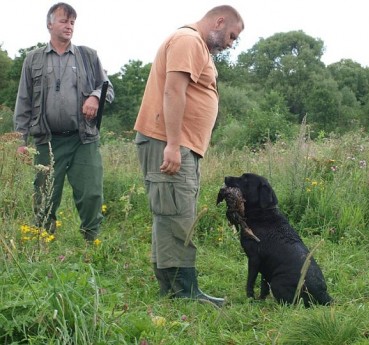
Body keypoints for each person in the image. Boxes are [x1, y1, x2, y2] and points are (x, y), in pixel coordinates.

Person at [134, 5, 244, 306]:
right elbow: (173, 91)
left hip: (179, 143)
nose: (230, 43)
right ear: (219, 21)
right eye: (232, 36)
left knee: (170, 214)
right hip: (169, 142)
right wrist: (172, 144)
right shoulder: (188, 41)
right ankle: (184, 292)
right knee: (178, 215)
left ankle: (172, 289)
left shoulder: (195, 45)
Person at [14, 2, 114, 242]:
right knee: (44, 195)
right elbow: (24, 100)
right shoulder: (33, 59)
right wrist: (20, 140)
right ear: (49, 24)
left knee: (91, 194)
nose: (69, 26)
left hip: (83, 139)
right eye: (63, 21)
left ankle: (92, 242)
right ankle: (42, 243)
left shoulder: (88, 56)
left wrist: (95, 96)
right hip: (46, 141)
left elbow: (107, 88)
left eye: (72, 22)